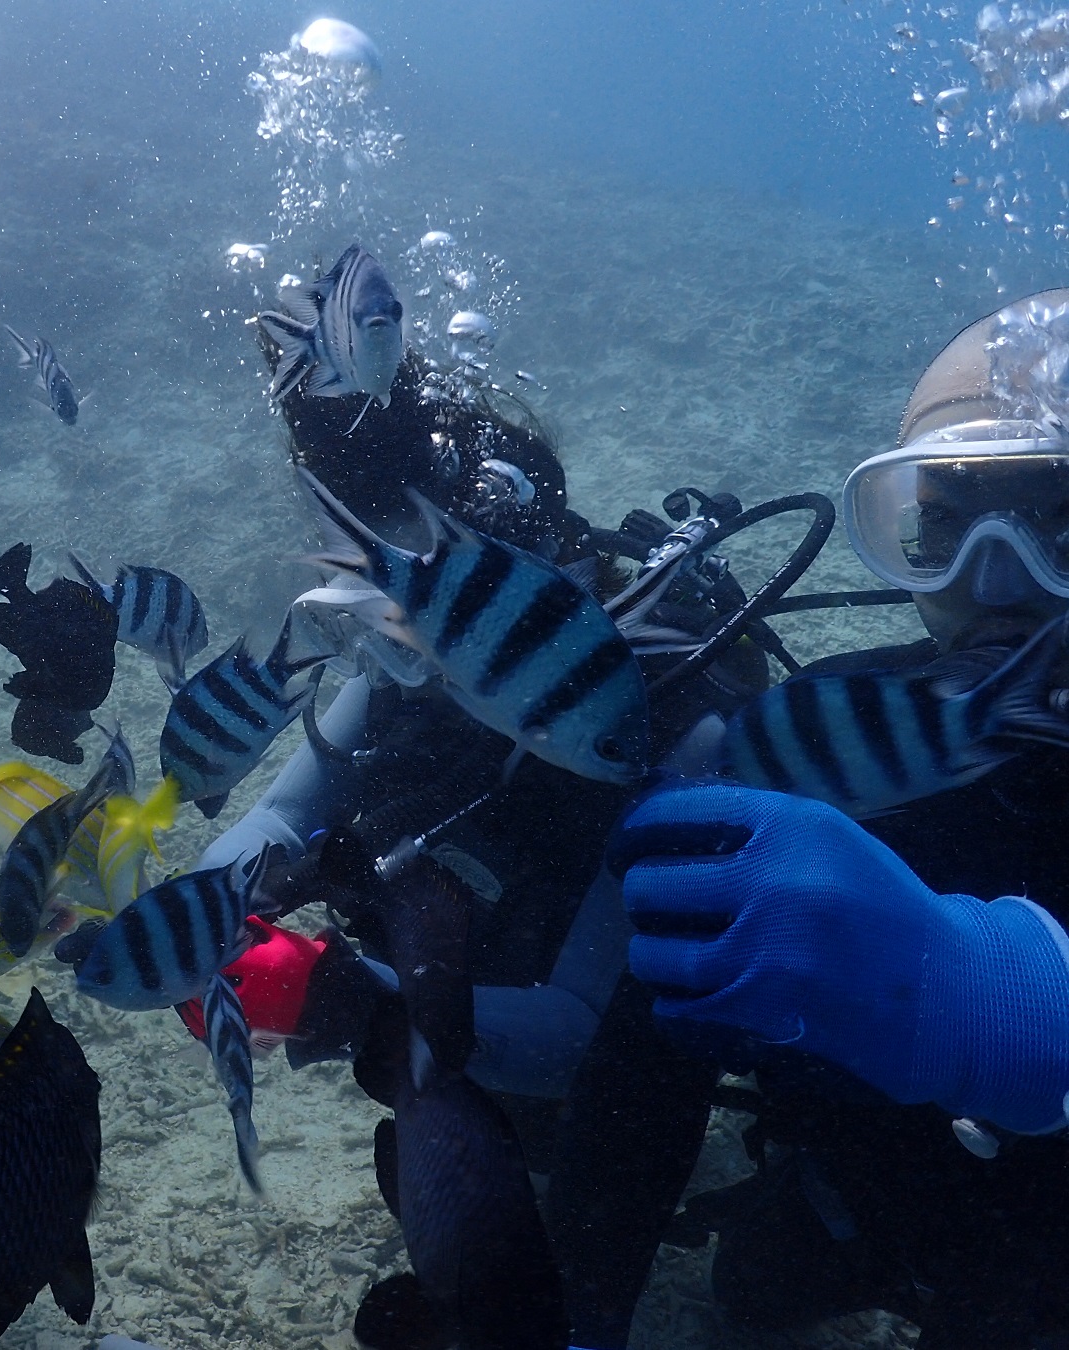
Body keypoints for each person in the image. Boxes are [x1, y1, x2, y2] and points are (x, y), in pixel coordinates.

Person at [197, 331, 786, 1343]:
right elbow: (275, 820)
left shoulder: (661, 721)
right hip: (453, 1036)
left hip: (585, 1068)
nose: (405, 644)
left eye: (432, 614)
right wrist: (209, 918)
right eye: (399, 611)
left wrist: (352, 999)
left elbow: (576, 1035)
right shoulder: (412, 662)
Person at [598, 290, 1069, 1348]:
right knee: (748, 1291)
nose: (995, 585)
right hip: (860, 1209)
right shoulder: (825, 735)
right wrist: (581, 1314)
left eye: (1061, 525)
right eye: (940, 529)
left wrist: (1025, 1010)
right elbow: (644, 1058)